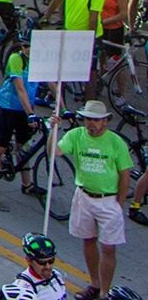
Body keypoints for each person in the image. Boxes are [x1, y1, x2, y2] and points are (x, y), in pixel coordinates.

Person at [58, 100, 133, 300]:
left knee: (108, 247)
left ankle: (104, 292)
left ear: (105, 121)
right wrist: (52, 129)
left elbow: (125, 173)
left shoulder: (115, 142)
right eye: (87, 119)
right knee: (88, 240)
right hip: (84, 195)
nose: (90, 124)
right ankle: (95, 284)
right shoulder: (76, 135)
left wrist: (120, 201)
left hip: (107, 199)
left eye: (95, 120)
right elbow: (55, 152)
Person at [0, 39, 40, 205]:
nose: (28, 49)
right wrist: (30, 113)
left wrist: (64, 108)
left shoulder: (41, 60)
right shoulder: (16, 59)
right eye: (25, 45)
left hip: (26, 108)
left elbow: (52, 83)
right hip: (9, 107)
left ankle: (27, 184)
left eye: (31, 45)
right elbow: (20, 88)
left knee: (23, 147)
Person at [10, 233, 69, 300]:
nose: (48, 266)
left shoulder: (57, 275)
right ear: (29, 260)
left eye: (51, 260)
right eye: (42, 262)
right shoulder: (22, 289)